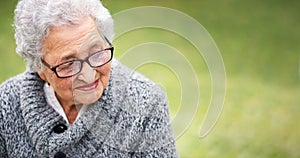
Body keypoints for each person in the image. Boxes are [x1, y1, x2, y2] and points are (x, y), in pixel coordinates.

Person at [0, 0, 178, 157]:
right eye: (68, 64)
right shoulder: (6, 103)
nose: (88, 74)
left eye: (95, 52)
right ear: (41, 69)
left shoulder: (146, 103)